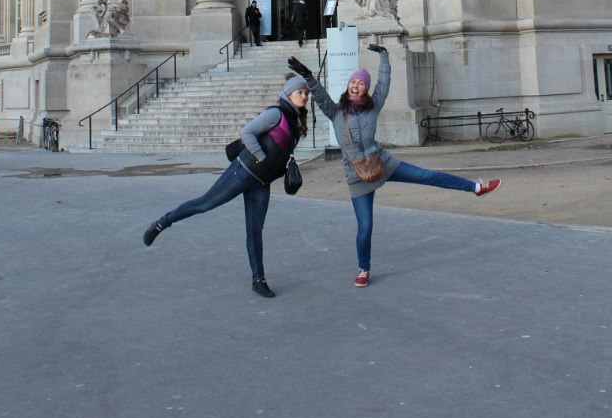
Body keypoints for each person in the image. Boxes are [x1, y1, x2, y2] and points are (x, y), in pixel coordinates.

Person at [288, 47, 501, 288]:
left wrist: (385, 56)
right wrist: (308, 75)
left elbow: (385, 82)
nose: (355, 84)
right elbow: (319, 93)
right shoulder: (336, 112)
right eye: (353, 81)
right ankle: (363, 268)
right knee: (365, 227)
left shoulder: (373, 105)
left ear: (366, 88)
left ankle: (475, 187)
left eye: (361, 82)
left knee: (427, 175)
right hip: (356, 174)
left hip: (382, 162)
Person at [142, 74, 309, 298]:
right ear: (289, 93)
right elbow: (247, 132)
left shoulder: (296, 121)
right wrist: (260, 157)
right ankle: (163, 223)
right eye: (300, 92)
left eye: (306, 93)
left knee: (255, 231)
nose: (305, 96)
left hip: (262, 181)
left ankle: (258, 280)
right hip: (243, 172)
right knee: (205, 203)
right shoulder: (275, 113)